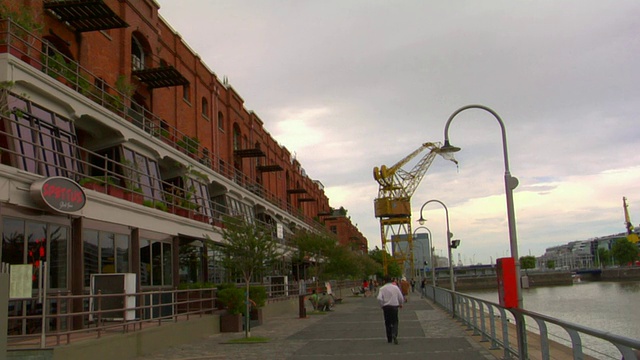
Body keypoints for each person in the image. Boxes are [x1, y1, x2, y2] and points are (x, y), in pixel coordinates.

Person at [377, 275, 405, 344]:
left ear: (384, 281)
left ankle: (389, 338)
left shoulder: (382, 288)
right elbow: (401, 297)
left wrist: (382, 305)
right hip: (394, 306)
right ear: (391, 280)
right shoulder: (395, 288)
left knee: (387, 322)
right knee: (395, 321)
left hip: (386, 307)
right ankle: (394, 334)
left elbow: (379, 298)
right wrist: (400, 303)